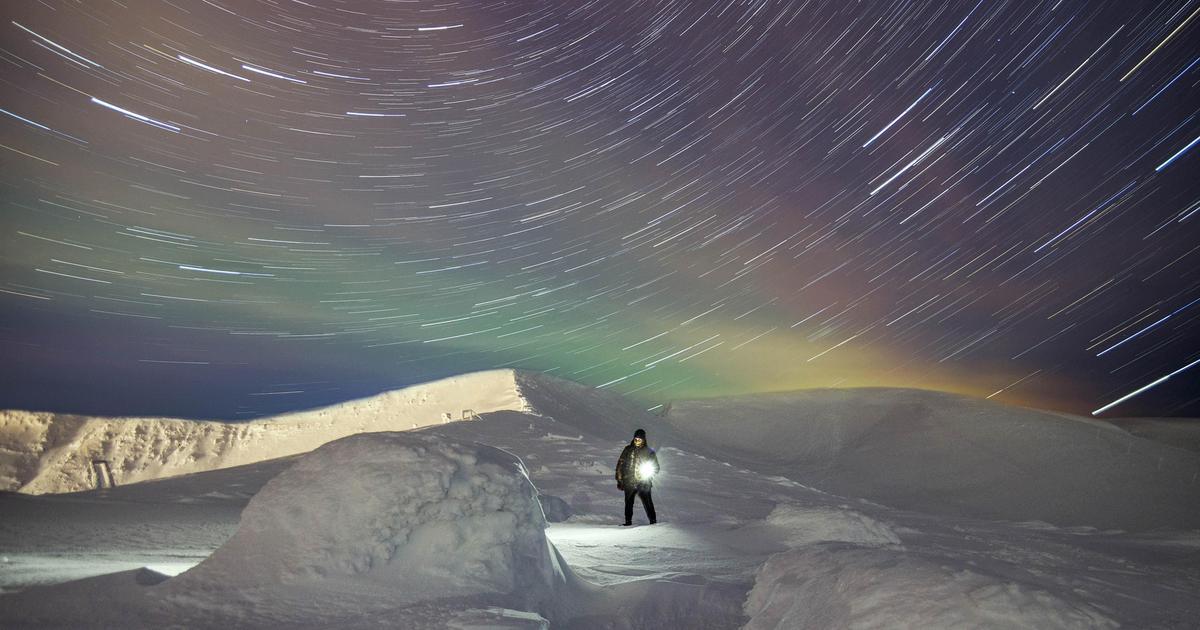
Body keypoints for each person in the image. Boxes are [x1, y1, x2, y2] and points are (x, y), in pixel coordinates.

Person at [615, 428, 659, 526]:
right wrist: (620, 479)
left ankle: (653, 522)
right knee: (628, 503)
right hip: (629, 481)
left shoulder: (649, 452)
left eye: (639, 439)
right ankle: (628, 522)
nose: (637, 441)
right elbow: (620, 464)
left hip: (643, 482)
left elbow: (656, 467)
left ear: (644, 439)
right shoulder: (628, 449)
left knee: (648, 503)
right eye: (636, 439)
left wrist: (648, 474)